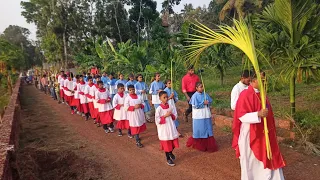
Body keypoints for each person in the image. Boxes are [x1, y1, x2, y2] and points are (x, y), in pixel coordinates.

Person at [232, 71, 285, 180]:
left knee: (269, 154)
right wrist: (257, 114)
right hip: (250, 132)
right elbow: (241, 115)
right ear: (253, 80)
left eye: (264, 80)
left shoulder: (262, 94)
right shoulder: (245, 94)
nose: (264, 82)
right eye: (262, 80)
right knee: (251, 160)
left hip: (265, 131)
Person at [186, 82, 218, 152]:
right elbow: (195, 106)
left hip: (206, 114)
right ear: (196, 88)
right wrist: (203, 103)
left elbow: (210, 102)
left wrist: (208, 103)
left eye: (202, 87)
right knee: (200, 129)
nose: (202, 88)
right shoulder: (194, 96)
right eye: (200, 87)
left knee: (208, 127)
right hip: (199, 116)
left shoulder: (205, 94)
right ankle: (200, 144)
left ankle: (208, 143)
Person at [155, 91, 179, 167]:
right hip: (164, 128)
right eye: (164, 97)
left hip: (171, 127)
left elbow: (175, 115)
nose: (166, 99)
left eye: (166, 97)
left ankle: (170, 152)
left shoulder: (171, 106)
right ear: (160, 99)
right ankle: (168, 158)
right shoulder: (159, 109)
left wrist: (171, 115)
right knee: (166, 144)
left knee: (173, 142)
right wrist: (165, 116)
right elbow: (157, 120)